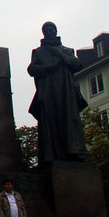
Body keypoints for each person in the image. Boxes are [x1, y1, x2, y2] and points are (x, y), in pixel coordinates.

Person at [27, 21, 88, 165]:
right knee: (50, 122)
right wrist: (48, 67)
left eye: (51, 29)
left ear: (56, 31)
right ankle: (51, 154)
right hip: (48, 91)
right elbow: (32, 70)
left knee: (70, 120)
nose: (49, 32)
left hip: (66, 91)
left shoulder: (67, 50)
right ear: (43, 33)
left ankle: (74, 151)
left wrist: (61, 55)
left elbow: (77, 65)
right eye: (46, 30)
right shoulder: (38, 52)